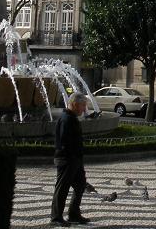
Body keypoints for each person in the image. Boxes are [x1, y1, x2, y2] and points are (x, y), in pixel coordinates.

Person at [51, 93, 89, 226]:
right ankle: (56, 217)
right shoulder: (66, 119)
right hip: (66, 159)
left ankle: (73, 214)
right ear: (74, 104)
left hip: (75, 159)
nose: (84, 109)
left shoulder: (71, 118)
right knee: (62, 188)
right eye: (82, 105)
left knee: (80, 184)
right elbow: (64, 141)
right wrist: (72, 156)